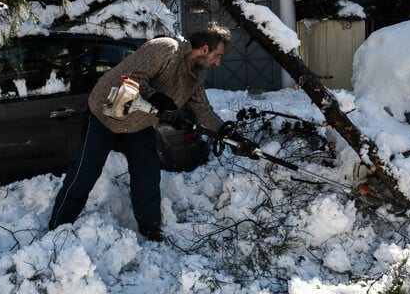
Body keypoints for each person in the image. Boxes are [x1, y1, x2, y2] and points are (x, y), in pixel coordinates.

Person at [48, 22, 257, 241]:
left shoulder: (194, 77)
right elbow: (132, 77)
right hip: (105, 114)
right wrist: (160, 100)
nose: (218, 62)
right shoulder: (166, 48)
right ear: (204, 49)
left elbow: (204, 110)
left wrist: (228, 133)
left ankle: (150, 229)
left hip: (137, 124)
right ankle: (58, 227)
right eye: (217, 55)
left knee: (147, 173)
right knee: (85, 171)